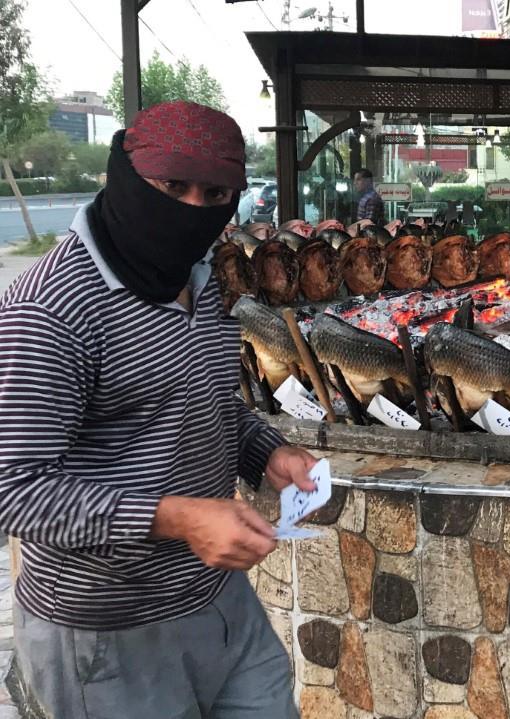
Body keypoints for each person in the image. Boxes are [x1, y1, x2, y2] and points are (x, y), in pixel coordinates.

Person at [0, 101, 317, 718]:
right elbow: (14, 488)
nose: (192, 210)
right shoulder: (51, 309)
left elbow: (206, 402)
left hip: (217, 601)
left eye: (215, 193)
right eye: (172, 186)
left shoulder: (203, 278)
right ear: (124, 173)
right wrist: (178, 519)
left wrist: (266, 452)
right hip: (104, 631)